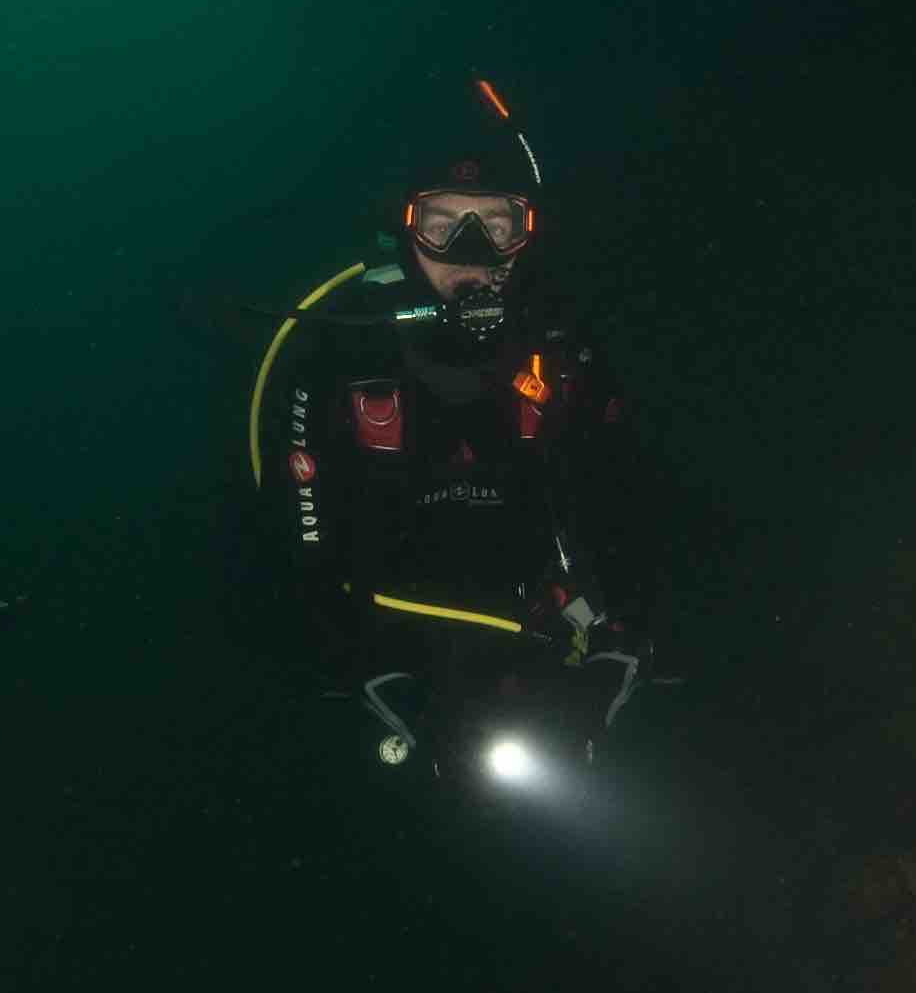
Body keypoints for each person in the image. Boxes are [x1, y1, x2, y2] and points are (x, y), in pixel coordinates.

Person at [249, 79, 657, 777]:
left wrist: (628, 634)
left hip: (541, 636)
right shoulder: (336, 350)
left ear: (526, 235)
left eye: (496, 225)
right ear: (403, 230)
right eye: (443, 224)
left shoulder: (563, 348)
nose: (470, 248)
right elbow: (289, 540)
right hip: (385, 648)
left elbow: (625, 498)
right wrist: (347, 665)